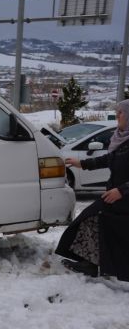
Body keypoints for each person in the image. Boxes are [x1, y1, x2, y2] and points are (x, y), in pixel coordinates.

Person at [56, 99, 129, 281]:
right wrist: (82, 163)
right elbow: (108, 159)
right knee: (91, 219)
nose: (117, 116)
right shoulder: (121, 139)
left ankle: (92, 263)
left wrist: (121, 191)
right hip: (116, 196)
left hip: (123, 197)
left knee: (99, 221)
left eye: (121, 112)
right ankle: (89, 262)